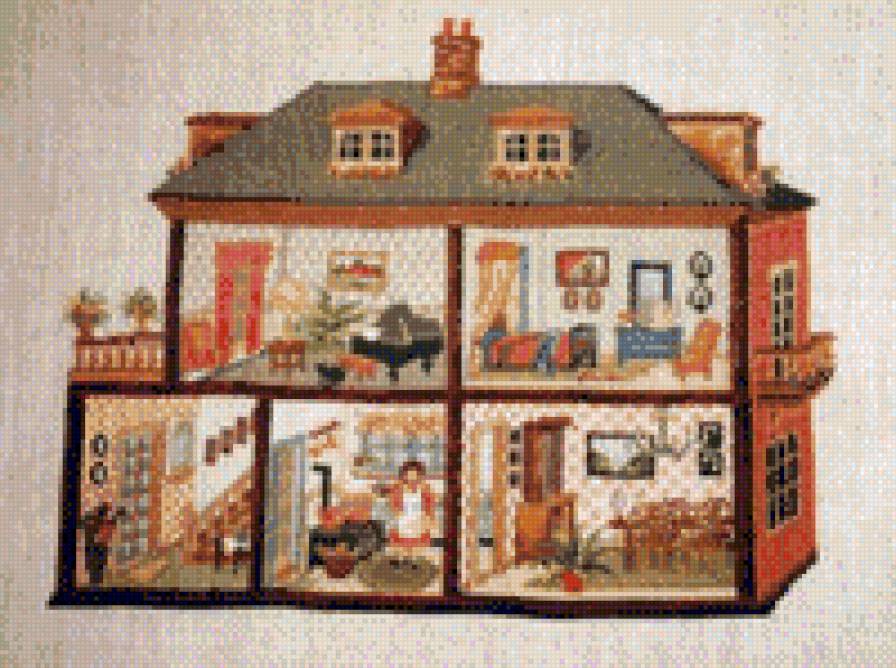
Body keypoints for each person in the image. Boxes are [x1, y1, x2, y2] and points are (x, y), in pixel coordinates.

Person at [388, 460, 435, 561]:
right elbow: (393, 507)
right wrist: (398, 516)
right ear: (404, 475)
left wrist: (428, 520)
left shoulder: (426, 488)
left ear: (420, 475)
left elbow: (430, 507)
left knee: (418, 554)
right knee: (401, 554)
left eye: (415, 474)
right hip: (402, 522)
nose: (412, 477)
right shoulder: (397, 487)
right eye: (409, 474)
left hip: (420, 522)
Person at [80, 502, 121, 587]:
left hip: (97, 552)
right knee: (96, 573)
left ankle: (96, 583)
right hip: (95, 552)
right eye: (107, 512)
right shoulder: (94, 521)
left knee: (97, 572)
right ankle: (95, 584)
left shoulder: (99, 521)